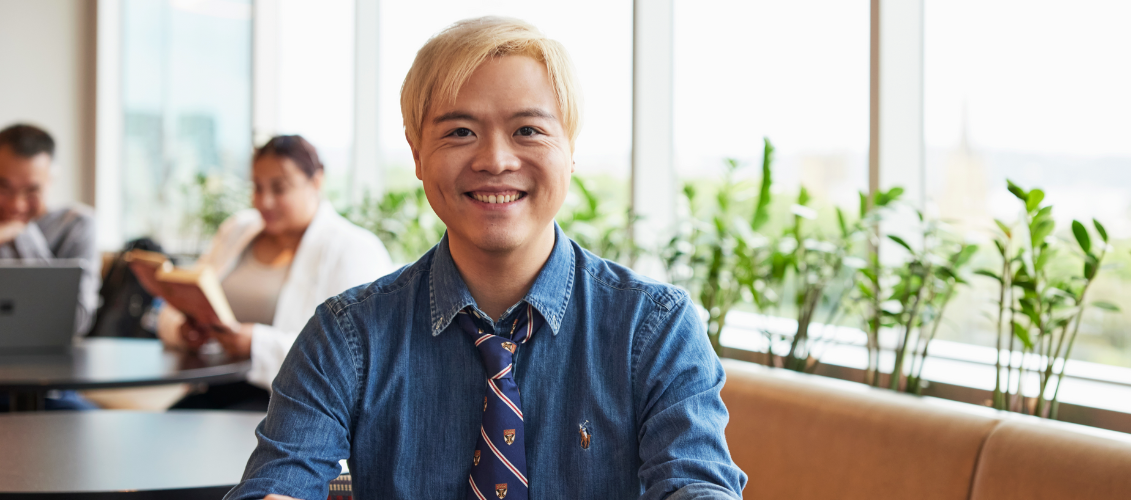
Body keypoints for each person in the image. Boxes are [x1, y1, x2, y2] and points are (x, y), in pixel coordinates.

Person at [226, 17, 747, 499]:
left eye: (528, 130)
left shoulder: (652, 328)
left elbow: (696, 483)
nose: (496, 160)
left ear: (571, 148)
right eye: (459, 132)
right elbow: (279, 479)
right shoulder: (348, 335)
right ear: (415, 152)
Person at [158, 135, 392, 411]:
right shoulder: (237, 230)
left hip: (286, 405)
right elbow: (176, 305)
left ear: (317, 182)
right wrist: (183, 330)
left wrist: (256, 344)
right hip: (214, 388)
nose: (264, 201)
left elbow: (356, 356)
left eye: (279, 188)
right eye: (257, 187)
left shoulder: (353, 250)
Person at [0, 123, 101, 411]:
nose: (16, 204)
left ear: (50, 179)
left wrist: (21, 233)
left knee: (86, 424)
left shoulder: (76, 225)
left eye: (31, 191)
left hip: (50, 387)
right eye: (3, 187)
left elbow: (77, 320)